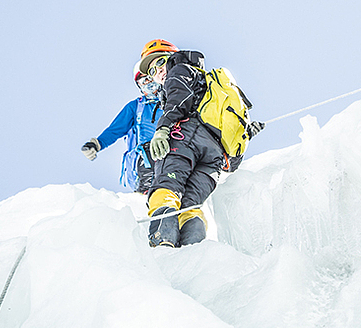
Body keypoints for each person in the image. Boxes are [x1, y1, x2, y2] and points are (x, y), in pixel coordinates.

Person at [143, 45, 263, 247]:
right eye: (152, 72)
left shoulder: (179, 70)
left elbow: (178, 99)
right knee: (190, 206)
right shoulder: (208, 83)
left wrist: (163, 128)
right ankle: (193, 252)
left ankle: (162, 242)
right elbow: (231, 163)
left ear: (172, 58)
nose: (159, 71)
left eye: (160, 62)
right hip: (215, 157)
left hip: (186, 138)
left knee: (166, 186)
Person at [80, 40, 171, 194]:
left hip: (171, 149)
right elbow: (116, 129)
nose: (149, 85)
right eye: (143, 82)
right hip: (147, 158)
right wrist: (97, 144)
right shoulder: (137, 107)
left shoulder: (174, 99)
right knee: (150, 152)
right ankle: (148, 192)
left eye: (150, 79)